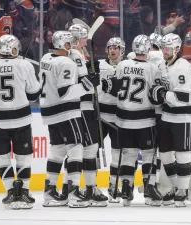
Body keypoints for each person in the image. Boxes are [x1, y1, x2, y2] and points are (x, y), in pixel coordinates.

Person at [0, 34, 40, 210]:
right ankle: (24, 191)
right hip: (21, 118)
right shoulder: (25, 65)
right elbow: (34, 94)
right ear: (14, 48)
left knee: (1, 157)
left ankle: (11, 191)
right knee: (23, 157)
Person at [38, 31, 99, 208]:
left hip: (49, 111)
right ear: (65, 45)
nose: (72, 46)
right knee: (76, 148)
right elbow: (65, 93)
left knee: (57, 151)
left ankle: (49, 193)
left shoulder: (45, 58)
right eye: (70, 43)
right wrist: (88, 84)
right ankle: (73, 193)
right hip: (66, 111)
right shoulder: (67, 62)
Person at [102, 34, 162, 206]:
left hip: (123, 120)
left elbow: (113, 90)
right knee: (149, 154)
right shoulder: (152, 69)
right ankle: (149, 189)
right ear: (148, 49)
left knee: (128, 154)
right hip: (145, 120)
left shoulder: (122, 65)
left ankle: (126, 188)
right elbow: (157, 97)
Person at [148, 33, 191, 207]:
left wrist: (162, 94)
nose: (164, 51)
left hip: (184, 117)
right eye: (163, 48)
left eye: (167, 49)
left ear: (177, 49)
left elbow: (183, 96)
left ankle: (183, 190)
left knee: (182, 154)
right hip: (168, 116)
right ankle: (176, 187)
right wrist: (157, 92)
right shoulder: (164, 65)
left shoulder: (181, 68)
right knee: (165, 155)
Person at [67, 23, 108, 206]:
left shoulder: (79, 54)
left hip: (86, 107)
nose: (85, 41)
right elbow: (84, 82)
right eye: (83, 38)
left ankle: (89, 188)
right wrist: (92, 73)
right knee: (83, 150)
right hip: (81, 107)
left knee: (88, 149)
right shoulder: (74, 55)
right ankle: (77, 189)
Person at [98, 37, 125, 203]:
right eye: (110, 47)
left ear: (122, 50)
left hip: (118, 116)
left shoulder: (127, 66)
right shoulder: (99, 65)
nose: (113, 50)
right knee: (91, 152)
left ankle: (114, 186)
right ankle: (90, 187)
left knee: (118, 154)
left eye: (116, 48)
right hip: (100, 115)